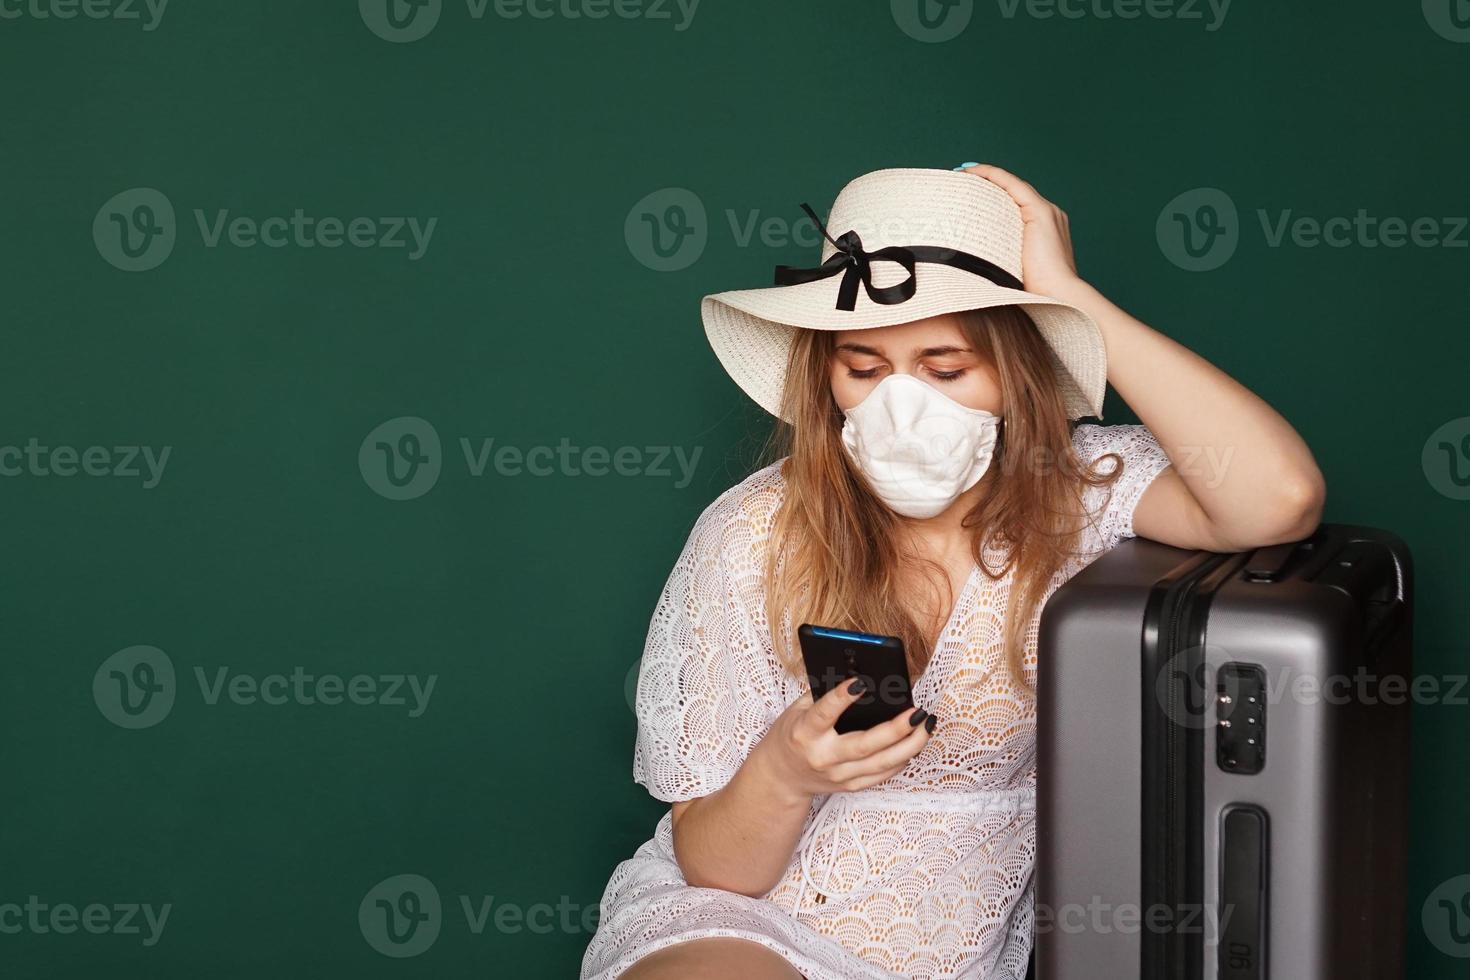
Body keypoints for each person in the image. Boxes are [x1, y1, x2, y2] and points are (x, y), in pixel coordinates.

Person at [580, 164, 1325, 980]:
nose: (903, 407)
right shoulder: (751, 533)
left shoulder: (1076, 489)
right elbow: (720, 870)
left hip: (951, 946)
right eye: (863, 369)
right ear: (825, 378)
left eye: (945, 369)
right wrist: (785, 771)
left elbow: (1277, 499)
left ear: (1017, 369)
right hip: (745, 921)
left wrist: (1075, 299)